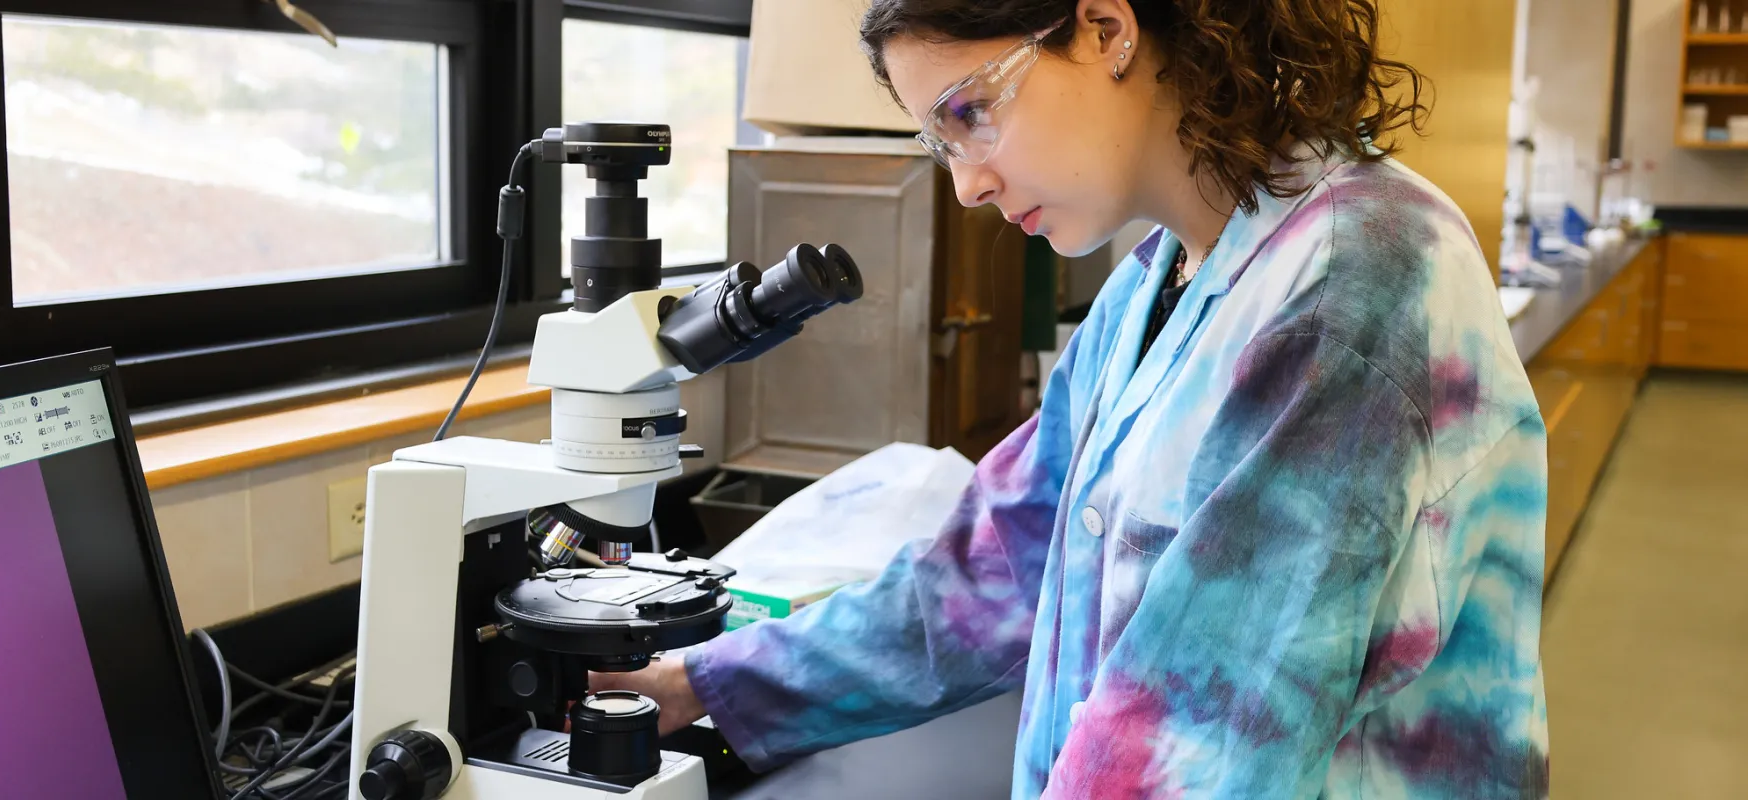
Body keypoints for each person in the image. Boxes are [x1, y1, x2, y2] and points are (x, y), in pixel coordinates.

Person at [596, 0, 1550, 796]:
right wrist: (702, 683)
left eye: (971, 111)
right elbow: (994, 568)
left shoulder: (1352, 285)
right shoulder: (1156, 281)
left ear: (1104, 29)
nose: (967, 184)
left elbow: (1198, 732)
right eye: (939, 140)